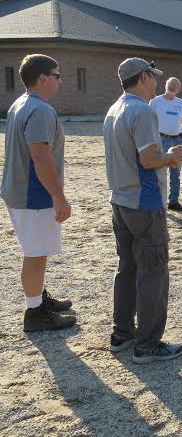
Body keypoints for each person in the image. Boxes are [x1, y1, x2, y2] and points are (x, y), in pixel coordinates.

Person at [103, 57, 182, 363]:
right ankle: (148, 344)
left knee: (128, 267)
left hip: (121, 201)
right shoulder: (142, 111)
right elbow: (149, 159)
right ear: (143, 78)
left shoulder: (115, 109)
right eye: (152, 76)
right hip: (144, 202)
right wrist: (172, 157)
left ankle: (122, 333)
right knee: (153, 271)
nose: (155, 81)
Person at [1, 54, 75, 332]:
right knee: (35, 253)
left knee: (37, 251)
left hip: (20, 191)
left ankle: (38, 299)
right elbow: (40, 157)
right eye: (57, 75)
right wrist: (59, 196)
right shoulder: (40, 110)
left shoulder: (20, 104)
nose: (59, 80)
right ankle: (34, 313)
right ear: (43, 78)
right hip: (34, 195)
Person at [149, 77, 182, 211]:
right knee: (159, 171)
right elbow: (149, 121)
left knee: (175, 172)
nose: (172, 87)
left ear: (179, 89)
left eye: (175, 85)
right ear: (165, 85)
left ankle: (173, 201)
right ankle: (158, 202)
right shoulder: (155, 102)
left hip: (176, 140)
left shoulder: (181, 103)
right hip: (161, 139)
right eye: (170, 84)